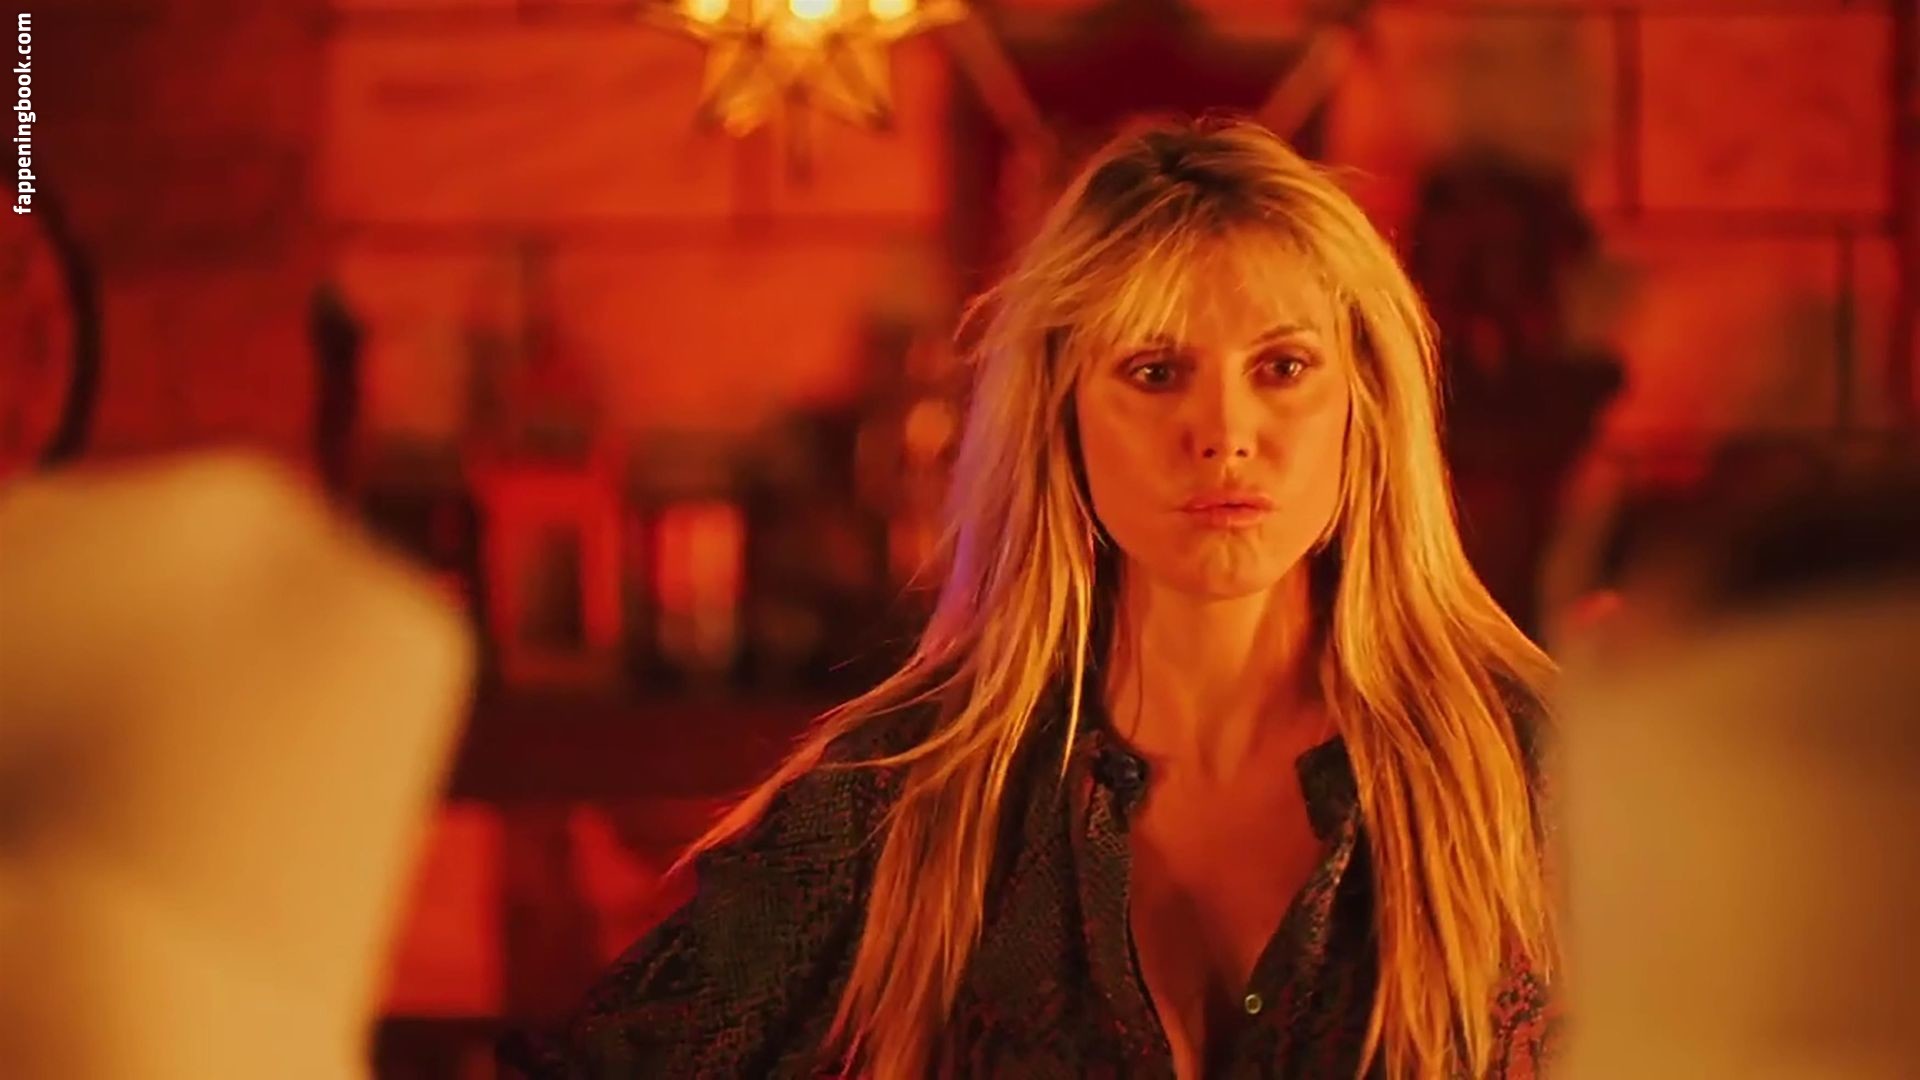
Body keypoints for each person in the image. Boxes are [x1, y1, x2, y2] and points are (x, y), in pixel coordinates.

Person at [508, 116, 1557, 1079]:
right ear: (1063, 414)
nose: (1225, 433)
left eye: (1282, 367)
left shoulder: (1526, 775)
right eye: (1156, 372)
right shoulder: (907, 795)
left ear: (1365, 407)